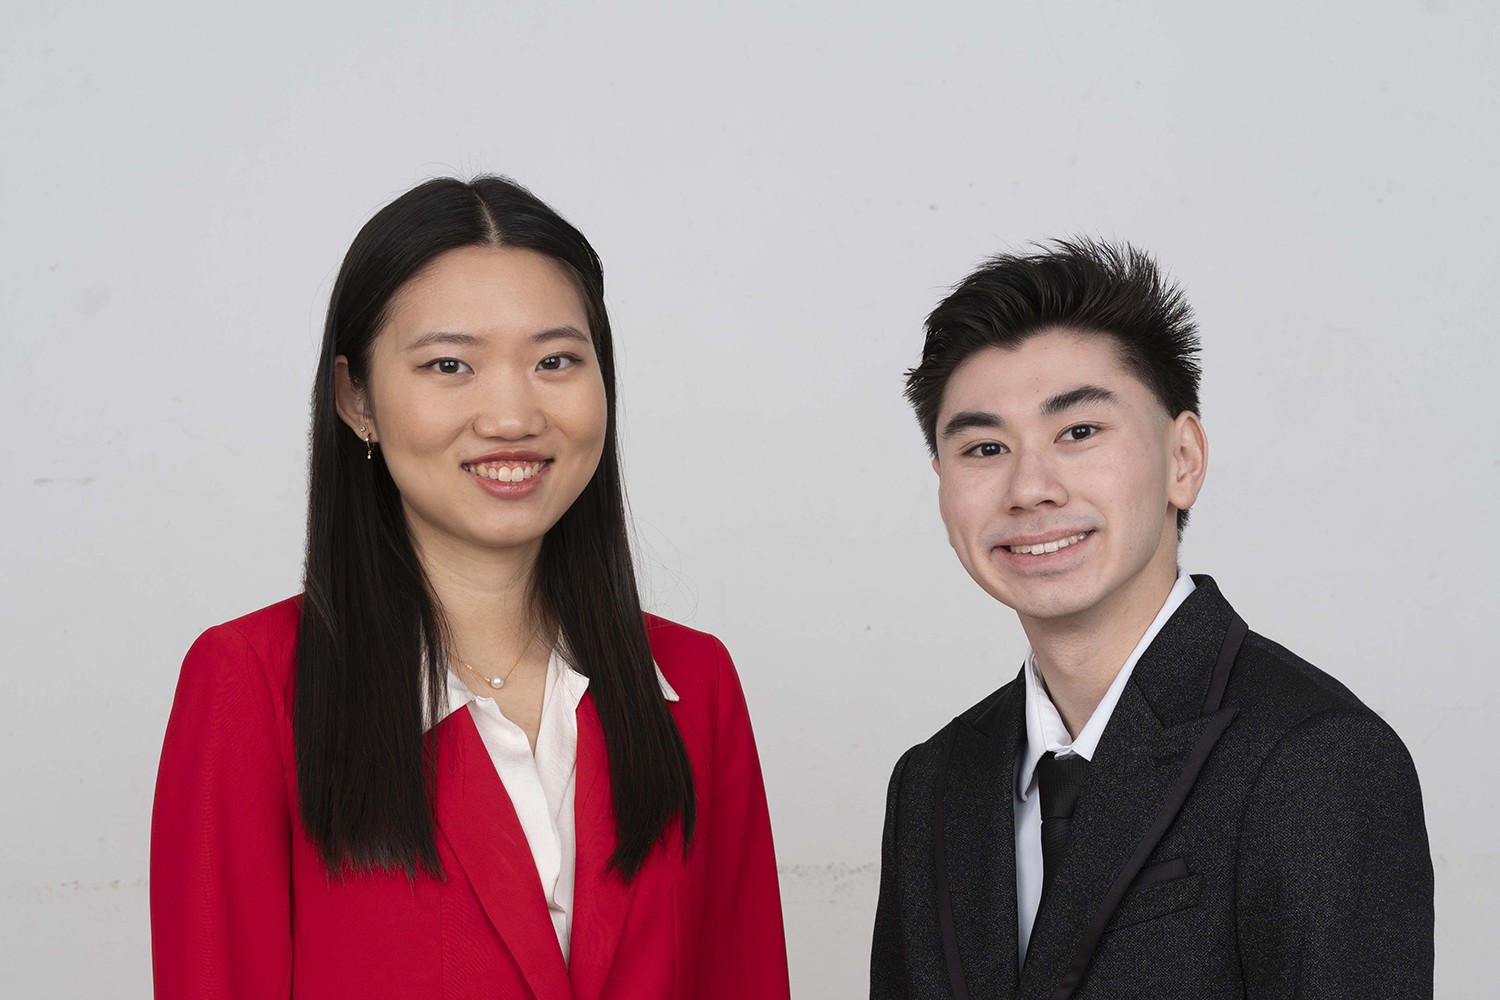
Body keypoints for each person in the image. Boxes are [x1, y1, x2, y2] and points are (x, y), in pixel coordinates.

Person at [151, 176, 790, 999]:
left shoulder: (695, 685)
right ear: (355, 398)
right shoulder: (253, 684)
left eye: (555, 361)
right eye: (449, 364)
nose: (511, 416)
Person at [870, 240, 1433, 999]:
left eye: (1079, 432)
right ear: (942, 486)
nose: (1029, 488)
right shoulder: (933, 784)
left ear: (1183, 459)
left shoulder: (1315, 759)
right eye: (985, 447)